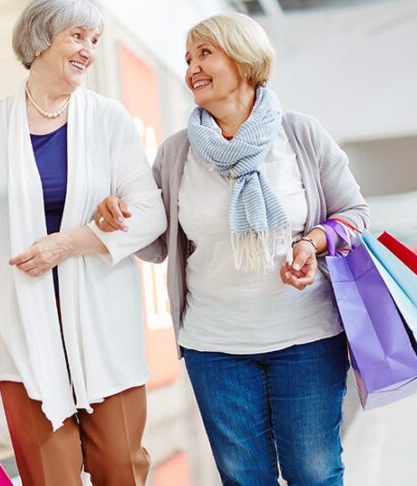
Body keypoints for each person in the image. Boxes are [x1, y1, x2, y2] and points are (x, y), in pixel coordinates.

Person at [95, 13, 369, 486]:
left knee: (314, 472)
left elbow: (355, 215)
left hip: (306, 335)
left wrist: (312, 242)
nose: (192, 68)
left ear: (244, 60)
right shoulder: (178, 152)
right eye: (187, 59)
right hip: (215, 345)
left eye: (205, 54)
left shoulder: (299, 134)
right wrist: (117, 214)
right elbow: (157, 242)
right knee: (243, 479)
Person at [0, 1, 165, 484]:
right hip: (20, 334)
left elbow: (150, 212)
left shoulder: (108, 120)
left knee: (121, 467)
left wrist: (70, 242)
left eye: (94, 40)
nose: (89, 50)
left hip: (102, 329)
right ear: (40, 40)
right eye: (77, 37)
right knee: (49, 476)